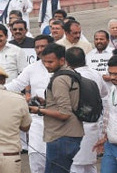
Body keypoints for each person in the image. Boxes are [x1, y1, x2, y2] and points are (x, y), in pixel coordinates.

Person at [28, 43, 83, 173]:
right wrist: (46, 102)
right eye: (44, 62)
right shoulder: (71, 73)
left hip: (61, 136)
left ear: (62, 60)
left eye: (50, 62)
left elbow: (64, 113)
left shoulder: (60, 79)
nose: (47, 65)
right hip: (70, 134)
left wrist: (39, 110)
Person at [5, 34, 53, 173]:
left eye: (43, 46)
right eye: (37, 47)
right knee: (36, 157)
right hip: (37, 119)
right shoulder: (32, 68)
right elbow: (16, 84)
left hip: (58, 119)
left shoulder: (63, 67)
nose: (39, 49)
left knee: (57, 159)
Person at [65, 47, 107, 173]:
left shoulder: (69, 78)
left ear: (67, 62)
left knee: (75, 165)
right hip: (94, 125)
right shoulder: (95, 74)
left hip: (76, 127)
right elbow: (104, 94)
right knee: (90, 165)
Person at [93, 52, 117, 173]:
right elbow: (109, 116)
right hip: (110, 146)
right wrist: (105, 137)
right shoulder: (112, 90)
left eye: (116, 74)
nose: (112, 77)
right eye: (111, 73)